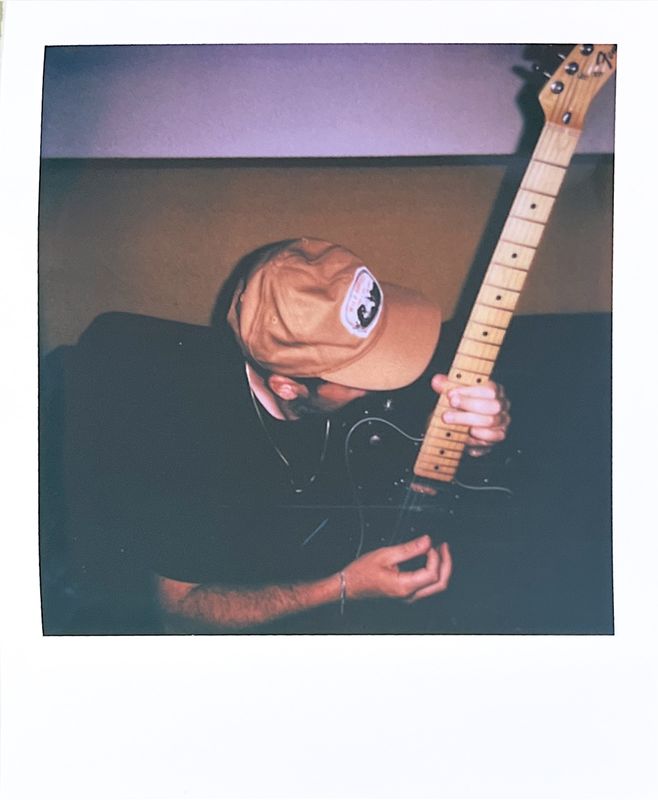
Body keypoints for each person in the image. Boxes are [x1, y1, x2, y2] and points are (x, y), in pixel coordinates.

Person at [147, 237, 511, 633]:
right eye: (364, 374)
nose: (387, 380)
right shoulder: (191, 441)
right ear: (289, 388)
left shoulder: (355, 382)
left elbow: (423, 454)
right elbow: (179, 609)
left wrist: (472, 438)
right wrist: (343, 588)